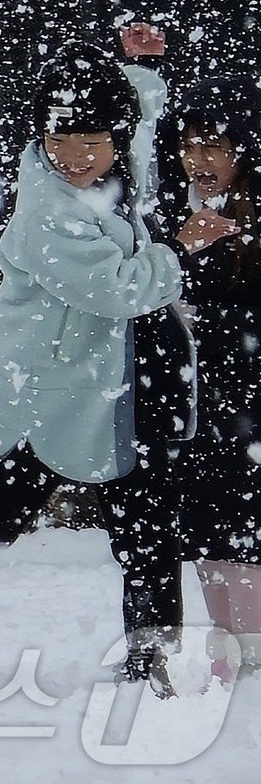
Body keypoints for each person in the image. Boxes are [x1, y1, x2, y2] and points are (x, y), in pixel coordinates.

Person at [0, 41, 228, 698]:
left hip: (122, 389)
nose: (77, 154)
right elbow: (116, 290)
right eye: (62, 136)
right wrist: (182, 252)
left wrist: (136, 61)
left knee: (147, 523)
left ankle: (151, 648)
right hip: (46, 398)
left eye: (93, 138)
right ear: (41, 134)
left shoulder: (125, 164)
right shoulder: (48, 210)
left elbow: (143, 111)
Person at [158, 76, 256, 685]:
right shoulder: (171, 213)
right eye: (190, 147)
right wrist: (177, 247)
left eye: (214, 147)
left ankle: (250, 655)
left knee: (247, 528)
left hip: (249, 399)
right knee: (210, 531)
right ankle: (229, 656)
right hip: (199, 403)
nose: (200, 161)